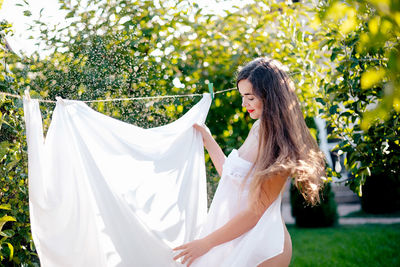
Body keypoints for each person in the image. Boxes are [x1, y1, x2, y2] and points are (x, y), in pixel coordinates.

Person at [172, 57, 325, 267]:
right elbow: (232, 177)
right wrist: (207, 139)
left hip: (262, 246)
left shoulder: (278, 142)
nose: (244, 104)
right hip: (236, 238)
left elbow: (256, 211)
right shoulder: (258, 128)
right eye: (242, 97)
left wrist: (206, 243)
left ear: (270, 96)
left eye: (250, 97)